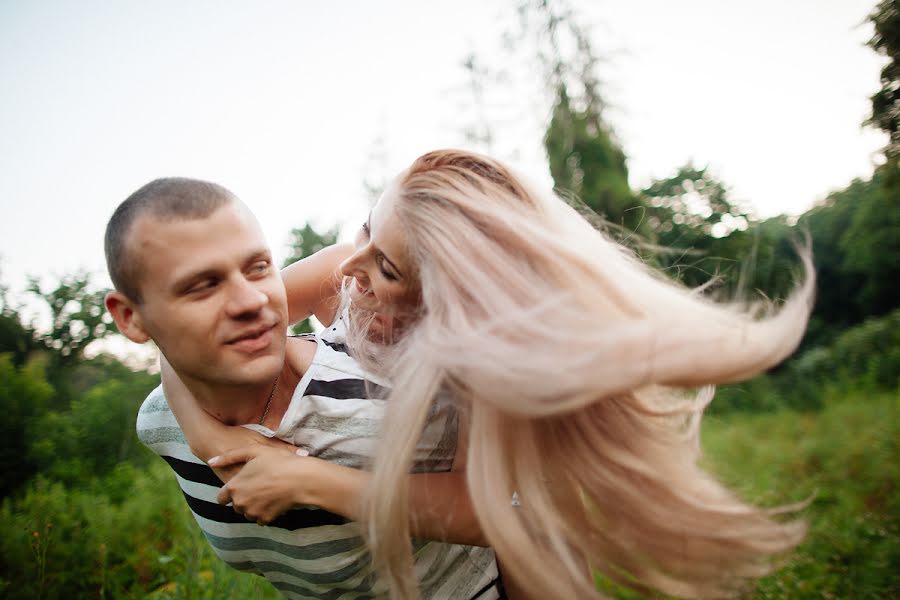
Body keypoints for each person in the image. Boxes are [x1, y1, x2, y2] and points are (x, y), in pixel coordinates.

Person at [173, 149, 815, 600]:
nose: (349, 269)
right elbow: (190, 346)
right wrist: (221, 446)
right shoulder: (346, 267)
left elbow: (493, 514)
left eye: (388, 269)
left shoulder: (475, 367)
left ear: (446, 304)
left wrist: (310, 479)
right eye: (368, 226)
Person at [103, 178, 503, 600]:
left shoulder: (400, 397)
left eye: (259, 267)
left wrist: (307, 478)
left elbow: (498, 513)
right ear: (131, 318)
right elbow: (186, 355)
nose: (251, 301)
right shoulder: (159, 424)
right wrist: (210, 442)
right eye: (203, 285)